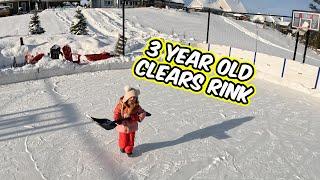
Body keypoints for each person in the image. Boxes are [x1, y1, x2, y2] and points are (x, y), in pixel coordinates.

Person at [113, 86, 146, 156]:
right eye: (131, 97)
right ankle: (122, 147)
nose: (132, 99)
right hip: (123, 125)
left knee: (131, 139)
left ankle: (129, 150)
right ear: (127, 97)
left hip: (132, 126)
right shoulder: (121, 105)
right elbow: (116, 112)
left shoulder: (137, 106)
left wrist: (136, 117)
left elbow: (143, 113)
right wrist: (117, 118)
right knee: (123, 139)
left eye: (134, 97)